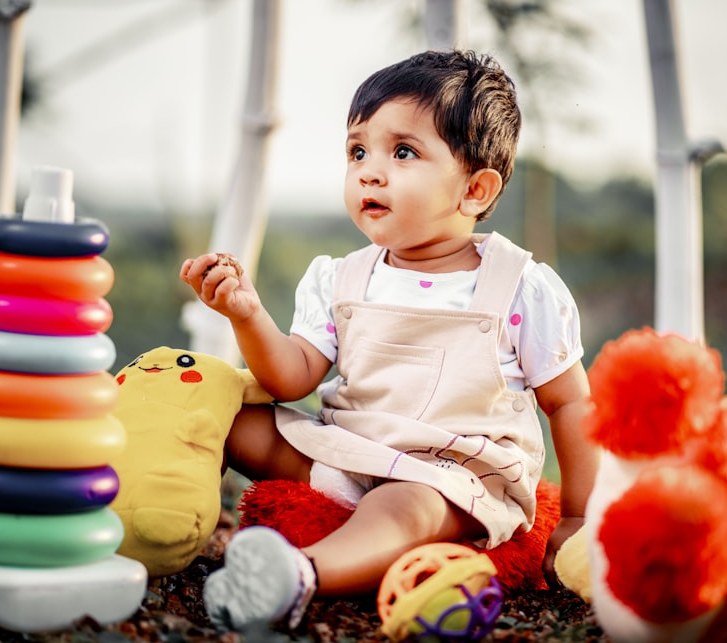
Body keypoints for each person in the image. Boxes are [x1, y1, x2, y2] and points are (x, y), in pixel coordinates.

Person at [180, 49, 599, 632]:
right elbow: (292, 377)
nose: (369, 171)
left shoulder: (519, 288)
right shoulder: (342, 275)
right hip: (347, 452)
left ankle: (297, 575)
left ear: (474, 190)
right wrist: (247, 316)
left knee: (402, 505)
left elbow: (570, 403)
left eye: (402, 152)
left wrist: (577, 517)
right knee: (223, 416)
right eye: (358, 151)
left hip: (454, 478)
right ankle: (164, 527)